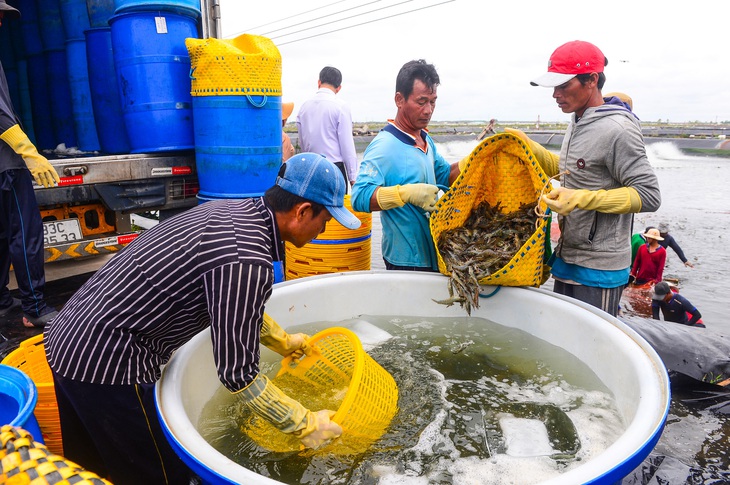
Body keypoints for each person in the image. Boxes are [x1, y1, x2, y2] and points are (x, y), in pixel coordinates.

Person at [44, 153, 360, 484]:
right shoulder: (246, 258)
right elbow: (239, 376)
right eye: (325, 220)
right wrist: (305, 424)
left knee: (87, 471)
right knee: (156, 475)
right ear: (302, 211)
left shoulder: (237, 213)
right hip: (108, 361)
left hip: (70, 337)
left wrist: (283, 342)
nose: (323, 231)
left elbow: (229, 303)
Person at [506, 40, 661, 317]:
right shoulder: (578, 120)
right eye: (554, 86)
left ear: (591, 80)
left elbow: (649, 195)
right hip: (568, 256)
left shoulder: (618, 129)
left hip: (599, 267)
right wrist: (530, 146)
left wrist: (581, 198)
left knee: (594, 349)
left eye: (564, 85)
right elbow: (576, 170)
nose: (555, 94)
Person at [351, 59, 462, 271]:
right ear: (399, 100)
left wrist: (472, 162)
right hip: (405, 260)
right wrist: (404, 194)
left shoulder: (424, 139)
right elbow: (359, 197)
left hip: (433, 254)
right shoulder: (384, 146)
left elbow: (444, 175)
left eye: (433, 102)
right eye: (421, 102)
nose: (429, 110)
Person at [0, 1, 61, 328]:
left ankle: (0, 300)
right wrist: (28, 152)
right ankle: (34, 308)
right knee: (25, 234)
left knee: (0, 235)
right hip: (7, 164)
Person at [296, 66, 358, 185]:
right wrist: (352, 177)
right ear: (339, 88)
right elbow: (347, 146)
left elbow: (303, 144)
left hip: (311, 168)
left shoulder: (304, 107)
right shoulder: (341, 107)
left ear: (319, 83)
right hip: (334, 169)